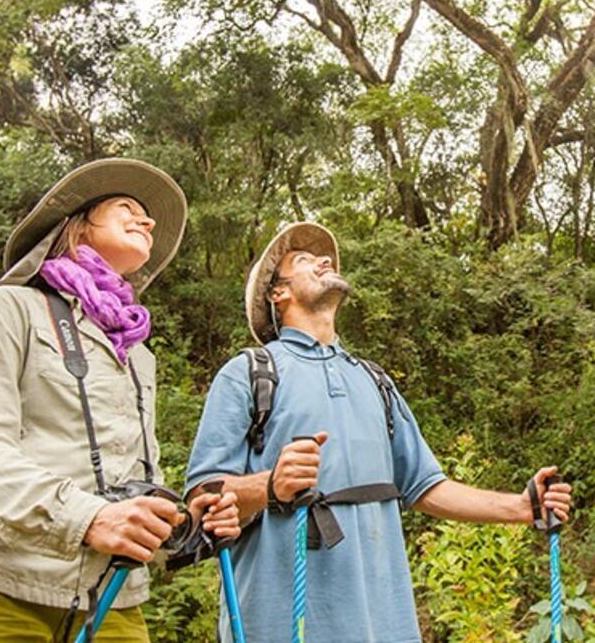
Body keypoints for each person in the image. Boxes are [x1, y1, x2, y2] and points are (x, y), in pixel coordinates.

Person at [0, 158, 241, 643]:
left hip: (109, 602)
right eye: (125, 207)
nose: (146, 221)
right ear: (77, 228)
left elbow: (136, 483)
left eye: (147, 217)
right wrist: (89, 519)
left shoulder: (138, 356)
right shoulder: (9, 308)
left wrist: (188, 524)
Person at [186, 222, 573, 642]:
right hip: (281, 624)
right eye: (303, 260)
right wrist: (270, 485)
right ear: (278, 293)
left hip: (385, 624)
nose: (324, 261)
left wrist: (521, 508)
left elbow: (425, 487)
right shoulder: (249, 373)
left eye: (324, 258)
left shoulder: (374, 381)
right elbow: (203, 498)